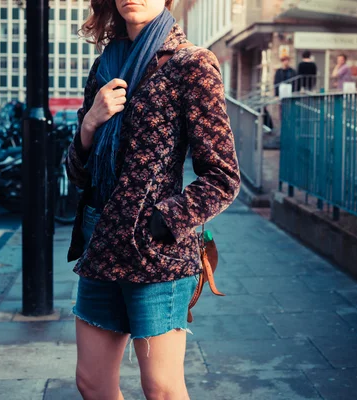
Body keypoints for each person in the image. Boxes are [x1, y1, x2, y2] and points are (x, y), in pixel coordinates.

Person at [65, 1, 241, 399]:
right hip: (101, 246)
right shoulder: (105, 67)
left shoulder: (191, 64)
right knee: (91, 383)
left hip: (156, 255)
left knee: (160, 388)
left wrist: (162, 221)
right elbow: (78, 173)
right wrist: (90, 123)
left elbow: (223, 176)